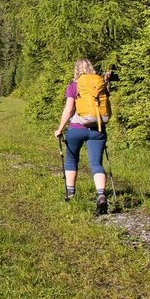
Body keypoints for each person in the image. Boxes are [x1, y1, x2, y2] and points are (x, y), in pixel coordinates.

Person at [54, 59, 112, 214]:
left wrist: (60, 129)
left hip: (76, 129)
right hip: (97, 129)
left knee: (71, 159)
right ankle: (101, 194)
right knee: (96, 163)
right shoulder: (100, 84)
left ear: (76, 70)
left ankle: (71, 194)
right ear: (91, 68)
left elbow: (69, 110)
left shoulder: (74, 86)